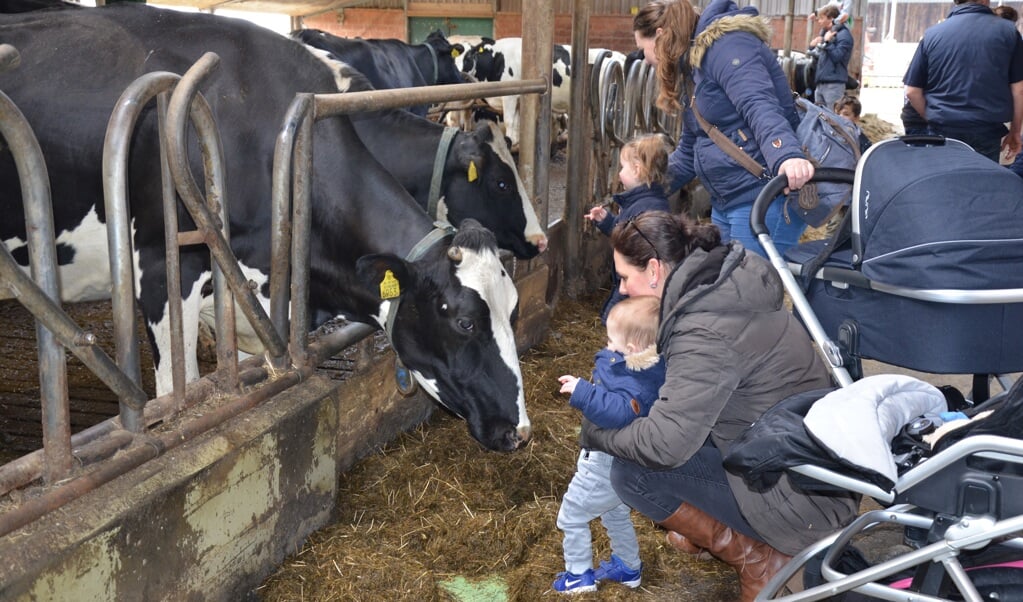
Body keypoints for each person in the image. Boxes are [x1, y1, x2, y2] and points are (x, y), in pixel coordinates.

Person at [580, 211, 860, 601]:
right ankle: (713, 531)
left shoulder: (704, 330)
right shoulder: (727, 279)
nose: (623, 290)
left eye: (626, 277)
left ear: (656, 270)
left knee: (632, 472)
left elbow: (665, 445)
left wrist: (597, 432)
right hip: (819, 475)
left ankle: (758, 559)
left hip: (797, 502)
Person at [633, 0, 816, 259]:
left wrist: (786, 154)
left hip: (762, 197)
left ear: (660, 36)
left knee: (748, 292)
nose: (644, 59)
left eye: (643, 49)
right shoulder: (692, 69)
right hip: (727, 200)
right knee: (730, 289)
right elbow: (690, 148)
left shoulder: (727, 47)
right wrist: (646, 187)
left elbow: (759, 105)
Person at [552, 295, 666, 594]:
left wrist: (583, 392)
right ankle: (628, 568)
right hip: (622, 462)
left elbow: (618, 411)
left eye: (611, 339)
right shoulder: (649, 368)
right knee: (615, 514)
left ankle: (578, 574)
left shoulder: (636, 381)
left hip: (604, 463)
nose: (606, 345)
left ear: (630, 349)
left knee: (571, 515)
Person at [903, 0, 1023, 162]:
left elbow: (911, 91)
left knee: (942, 182)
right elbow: (1019, 90)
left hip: (942, 130)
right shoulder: (1008, 32)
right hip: (986, 131)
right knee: (981, 184)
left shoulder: (933, 34)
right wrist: (1015, 131)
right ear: (985, 0)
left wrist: (932, 117)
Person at [585, 133, 672, 322]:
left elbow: (636, 246)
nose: (619, 173)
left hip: (637, 281)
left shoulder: (648, 207)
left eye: (622, 167)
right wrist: (607, 221)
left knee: (614, 320)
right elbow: (627, 234)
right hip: (635, 278)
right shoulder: (644, 202)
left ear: (637, 170)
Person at [809, 4, 855, 110]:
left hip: (834, 85)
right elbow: (818, 56)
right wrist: (812, 47)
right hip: (821, 83)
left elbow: (837, 57)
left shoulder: (844, 36)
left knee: (832, 119)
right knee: (820, 119)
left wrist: (828, 42)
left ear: (831, 18)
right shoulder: (826, 34)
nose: (819, 21)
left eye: (821, 18)